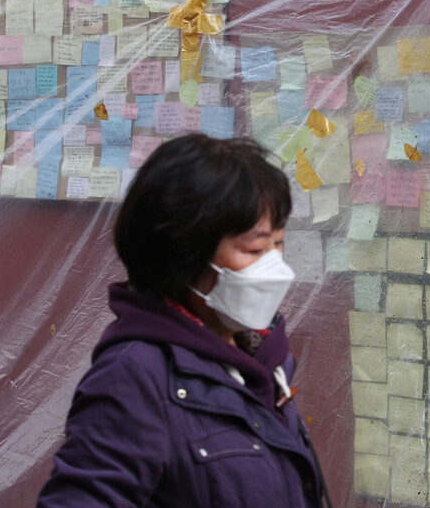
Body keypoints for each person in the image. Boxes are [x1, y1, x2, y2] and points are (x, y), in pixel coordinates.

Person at [37, 134, 327, 508]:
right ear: (184, 253)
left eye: (279, 243)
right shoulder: (134, 377)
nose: (275, 266)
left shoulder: (264, 360)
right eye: (255, 248)